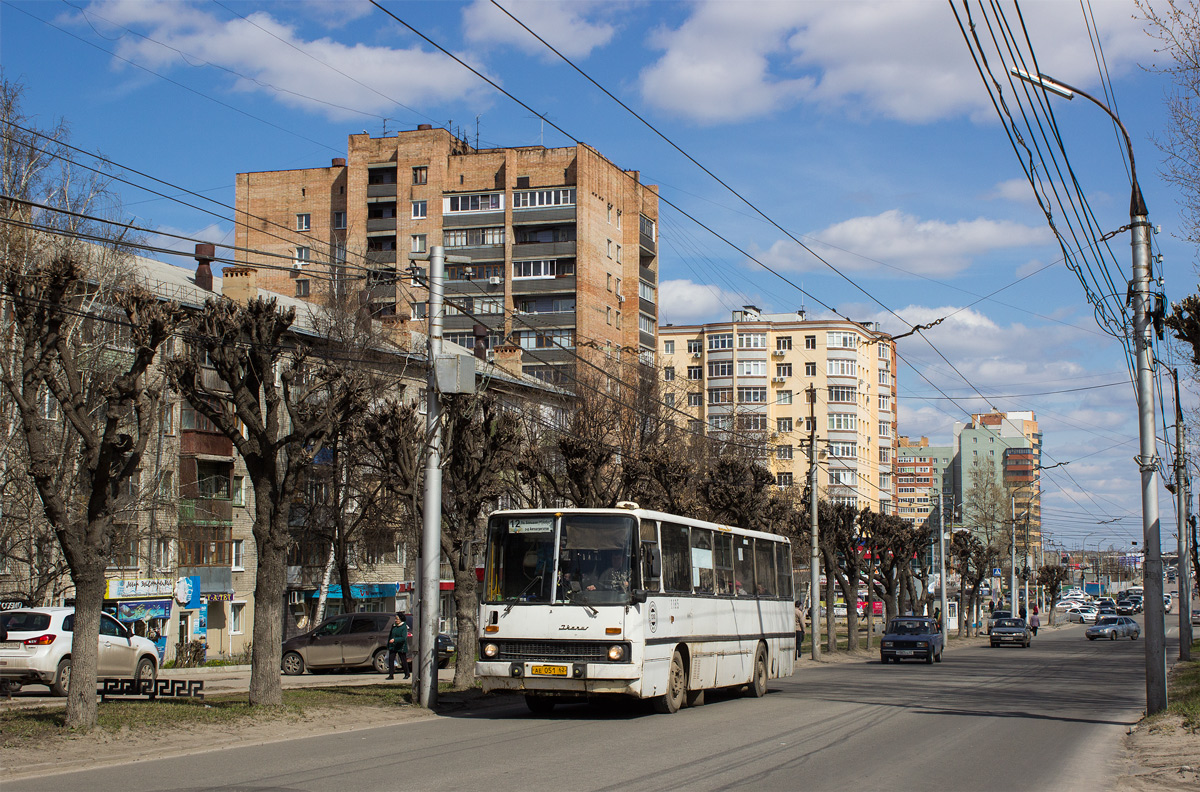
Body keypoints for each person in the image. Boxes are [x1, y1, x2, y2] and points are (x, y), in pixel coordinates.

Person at [386, 614, 410, 680]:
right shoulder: (393, 626)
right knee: (391, 659)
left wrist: (395, 640)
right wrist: (388, 645)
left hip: (401, 646)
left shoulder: (403, 627)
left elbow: (403, 638)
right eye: (395, 619)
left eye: (397, 619)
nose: (396, 620)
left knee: (403, 660)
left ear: (401, 619)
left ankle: (407, 673)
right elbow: (390, 635)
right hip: (393, 646)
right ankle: (391, 675)